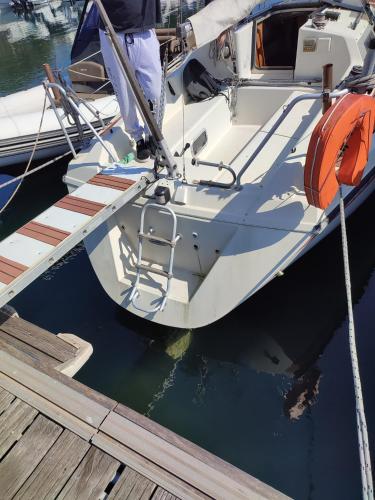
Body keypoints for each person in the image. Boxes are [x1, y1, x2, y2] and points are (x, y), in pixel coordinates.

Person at [99, 0, 162, 162]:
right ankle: (138, 138)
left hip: (144, 29)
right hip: (111, 31)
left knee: (155, 90)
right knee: (124, 94)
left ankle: (152, 133)